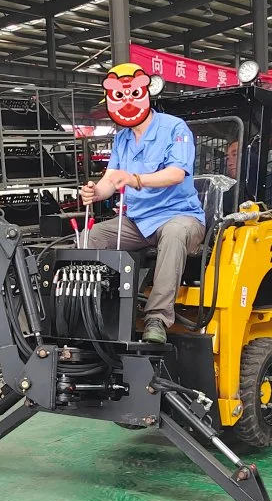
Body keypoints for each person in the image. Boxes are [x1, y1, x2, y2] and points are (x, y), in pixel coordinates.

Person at [82, 63, 205, 344]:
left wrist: (136, 179)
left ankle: (157, 318)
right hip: (139, 222)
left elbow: (176, 174)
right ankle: (96, 310)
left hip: (180, 216)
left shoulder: (175, 128)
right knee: (93, 237)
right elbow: (110, 179)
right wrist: (95, 192)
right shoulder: (123, 138)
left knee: (174, 234)